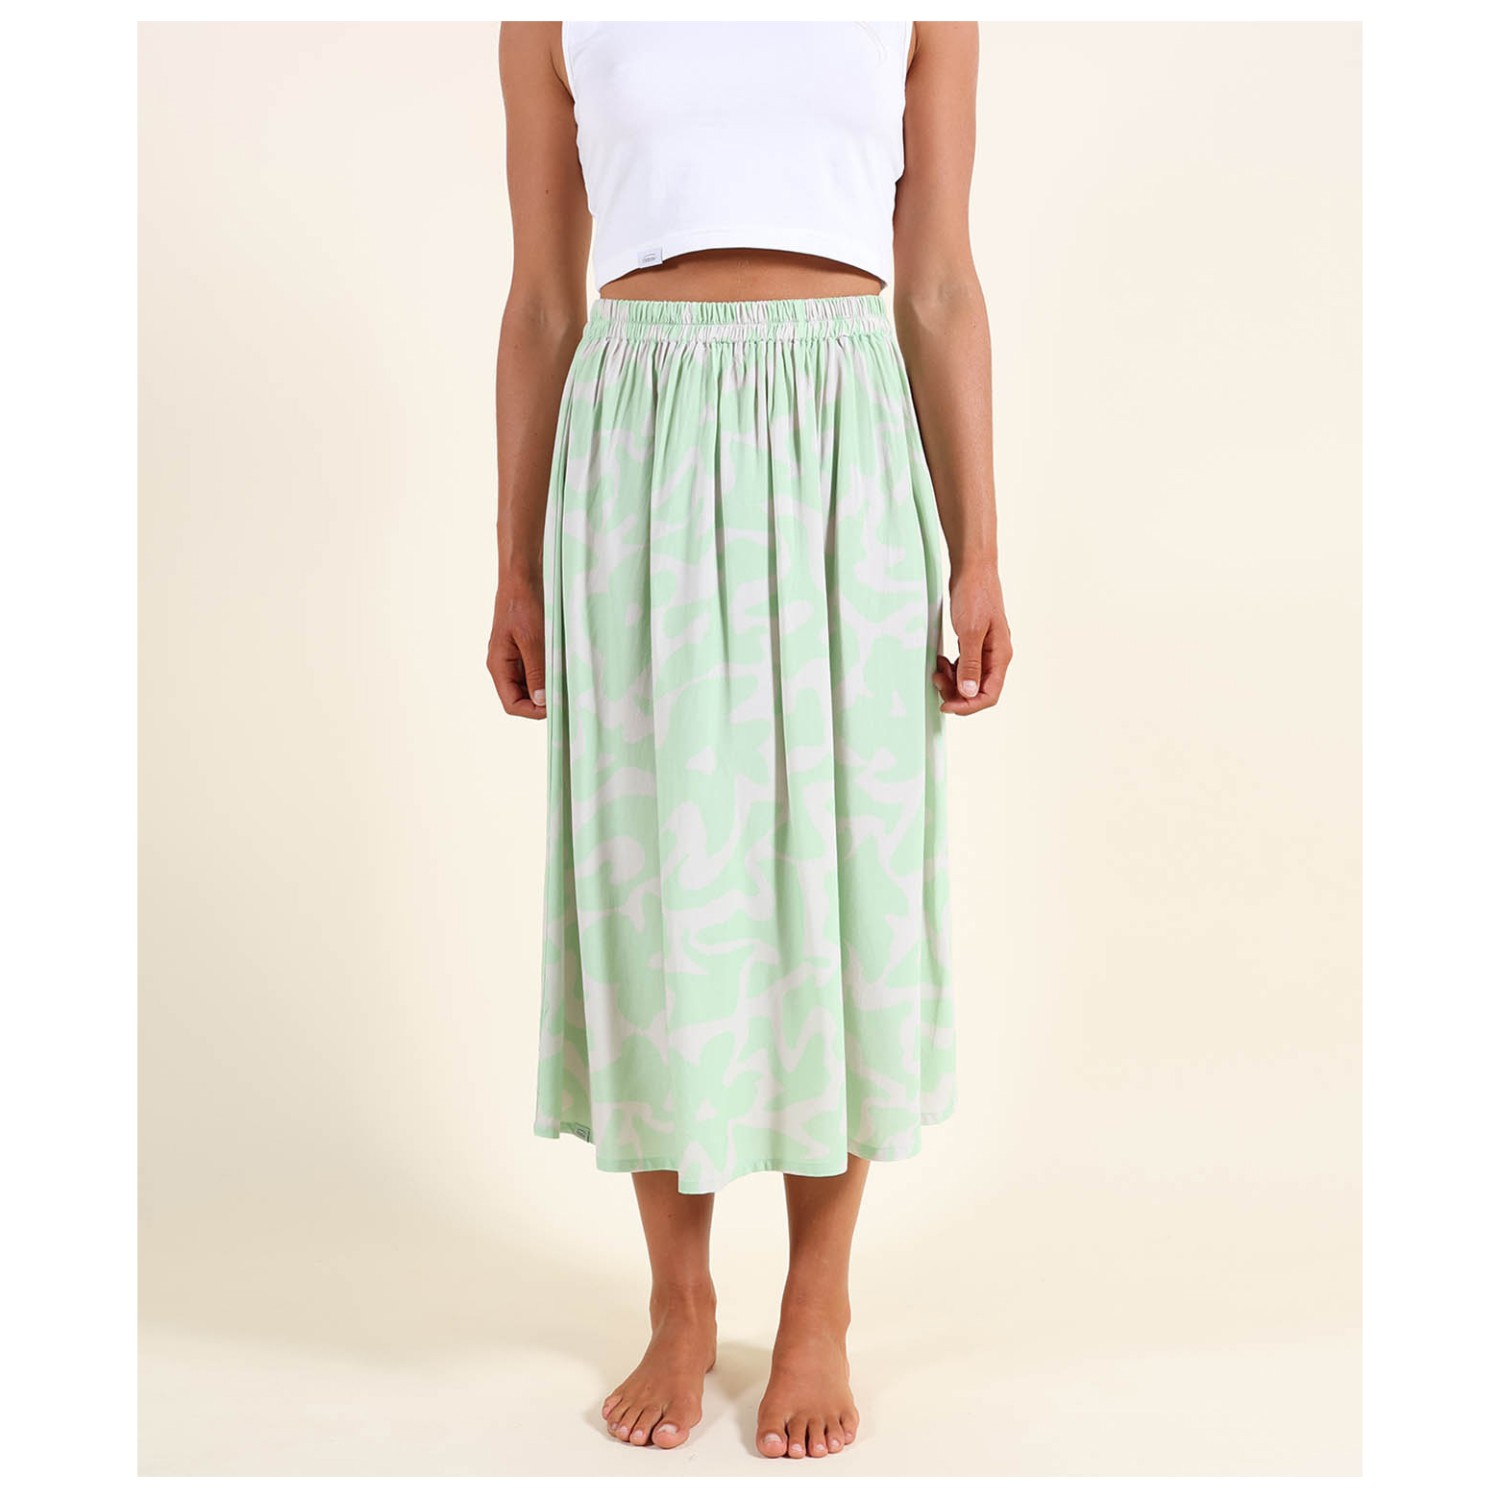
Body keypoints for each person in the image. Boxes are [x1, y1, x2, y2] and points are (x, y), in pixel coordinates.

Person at [488, 20, 1012, 1459]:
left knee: (844, 875)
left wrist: (978, 552)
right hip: (638, 442)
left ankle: (819, 1306)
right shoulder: (550, 17)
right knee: (658, 879)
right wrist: (515, 565)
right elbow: (542, 301)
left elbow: (941, 280)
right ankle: (677, 1302)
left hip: (845, 434)